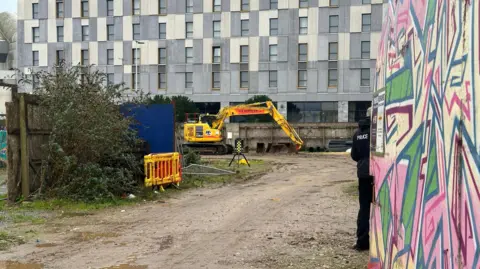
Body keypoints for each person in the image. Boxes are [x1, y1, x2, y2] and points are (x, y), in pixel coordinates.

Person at [350, 108, 373, 252]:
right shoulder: (376, 132)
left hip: (363, 173)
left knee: (364, 208)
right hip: (377, 173)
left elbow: (354, 155)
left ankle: (362, 242)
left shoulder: (357, 133)